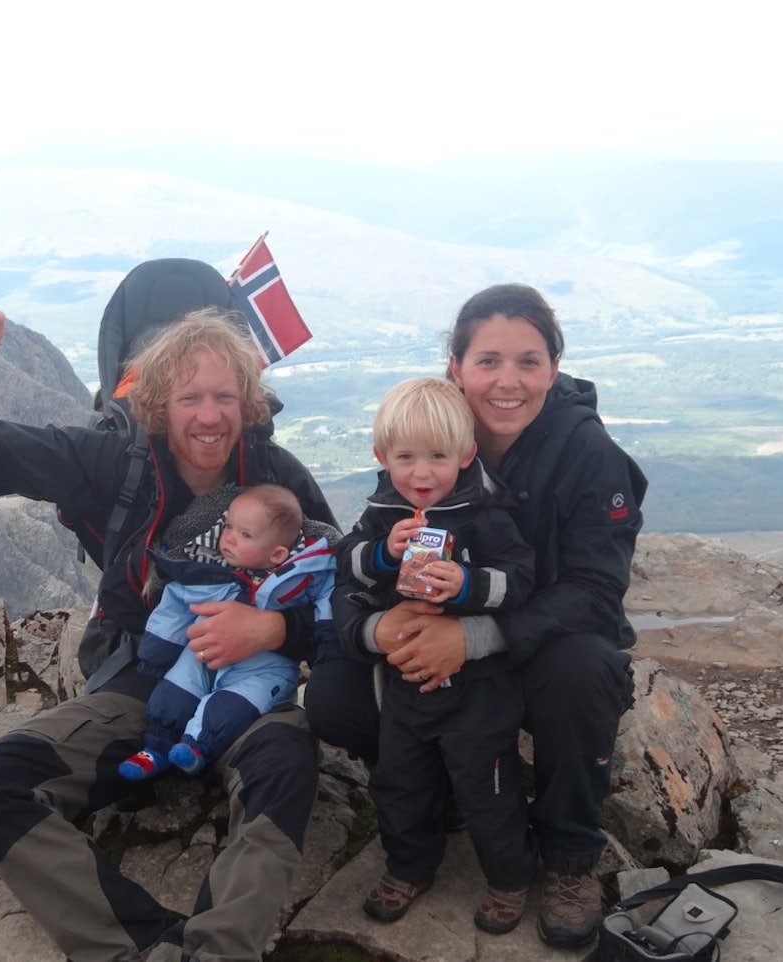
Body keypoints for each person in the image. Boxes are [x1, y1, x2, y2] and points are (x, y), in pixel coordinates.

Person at [0, 300, 338, 962]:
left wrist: (272, 629)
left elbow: (339, 603)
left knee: (286, 764)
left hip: (249, 685)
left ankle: (220, 951)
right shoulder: (112, 461)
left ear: (248, 402)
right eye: (190, 396)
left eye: (225, 397)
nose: (209, 415)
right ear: (158, 404)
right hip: (144, 680)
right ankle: (148, 948)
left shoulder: (277, 479)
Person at [306, 284, 647, 949]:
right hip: (447, 647)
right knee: (333, 698)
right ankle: (444, 799)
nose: (508, 381)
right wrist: (380, 630)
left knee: (584, 669)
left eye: (529, 361)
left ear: (554, 367)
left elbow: (594, 590)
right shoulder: (427, 441)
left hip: (540, 642)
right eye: (488, 361)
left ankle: (568, 858)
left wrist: (471, 637)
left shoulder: (585, 454)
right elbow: (361, 557)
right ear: (456, 368)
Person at [331, 376, 537, 933]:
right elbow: (343, 565)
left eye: (438, 457)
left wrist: (465, 585)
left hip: (478, 689)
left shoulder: (486, 516)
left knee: (487, 786)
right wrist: (381, 552)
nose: (422, 474)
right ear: (382, 456)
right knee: (400, 782)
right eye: (406, 457)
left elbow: (520, 580)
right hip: (404, 690)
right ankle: (409, 867)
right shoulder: (381, 516)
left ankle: (509, 877)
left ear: (466, 454)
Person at [119, 483, 339, 780]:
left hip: (262, 668)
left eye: (245, 535)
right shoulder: (208, 571)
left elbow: (329, 597)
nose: (229, 539)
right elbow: (175, 604)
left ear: (277, 554)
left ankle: (196, 747)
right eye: (229, 527)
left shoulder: (302, 577)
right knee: (174, 692)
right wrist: (157, 651)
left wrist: (326, 635)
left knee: (233, 706)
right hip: (200, 653)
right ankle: (154, 749)